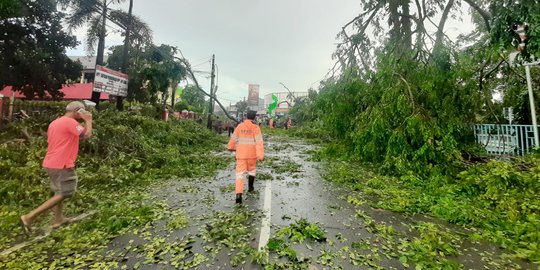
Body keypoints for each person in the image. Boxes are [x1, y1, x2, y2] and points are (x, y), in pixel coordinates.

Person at [20, 101, 93, 233]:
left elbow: (72, 137)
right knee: (66, 192)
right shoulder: (70, 122)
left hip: (50, 162)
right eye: (82, 111)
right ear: (78, 111)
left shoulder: (55, 122)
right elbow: (87, 135)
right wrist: (88, 120)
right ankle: (30, 217)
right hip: (62, 163)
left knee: (58, 191)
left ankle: (58, 219)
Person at [228, 110, 264, 204]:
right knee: (252, 171)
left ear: (246, 116)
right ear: (255, 117)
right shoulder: (256, 127)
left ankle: (238, 195)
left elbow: (234, 138)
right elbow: (259, 142)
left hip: (241, 155)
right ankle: (250, 187)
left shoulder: (240, 126)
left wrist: (231, 147)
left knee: (240, 175)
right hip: (252, 155)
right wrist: (260, 155)